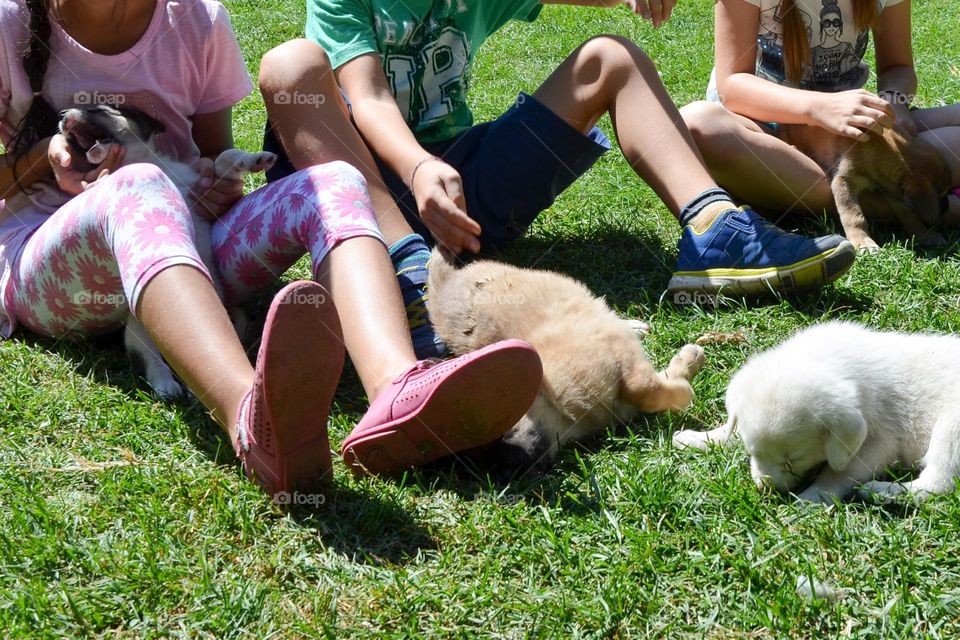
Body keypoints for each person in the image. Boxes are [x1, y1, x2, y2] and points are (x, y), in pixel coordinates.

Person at [0, 0, 544, 500]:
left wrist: (217, 186)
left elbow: (210, 161)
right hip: (55, 275)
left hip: (184, 258)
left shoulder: (195, 17)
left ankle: (398, 390)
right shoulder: (11, 22)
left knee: (334, 180)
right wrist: (36, 161)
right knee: (140, 182)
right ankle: (249, 419)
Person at [256, 0, 856, 300]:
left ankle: (716, 231)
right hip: (369, 204)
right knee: (301, 70)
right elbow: (369, 97)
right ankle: (407, 283)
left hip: (459, 196)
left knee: (609, 59)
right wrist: (418, 168)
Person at [681, 0, 960, 220]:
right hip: (769, 131)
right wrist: (819, 107)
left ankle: (810, 191)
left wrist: (894, 99)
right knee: (698, 125)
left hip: (853, 134)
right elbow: (732, 86)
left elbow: (897, 67)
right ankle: (888, 206)